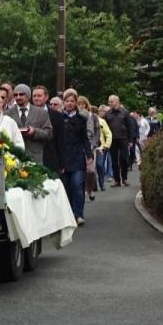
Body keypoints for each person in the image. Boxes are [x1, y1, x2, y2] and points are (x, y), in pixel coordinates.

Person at [62, 92, 92, 226]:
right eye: (67, 101)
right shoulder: (59, 118)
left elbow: (85, 138)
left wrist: (89, 154)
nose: (69, 103)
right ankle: (69, 214)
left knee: (77, 185)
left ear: (75, 103)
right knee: (66, 188)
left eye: (72, 101)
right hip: (63, 157)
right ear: (64, 103)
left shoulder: (81, 119)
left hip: (77, 156)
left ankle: (79, 214)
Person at [4, 84, 52, 163]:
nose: (18, 97)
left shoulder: (41, 113)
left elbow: (49, 134)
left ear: (28, 96)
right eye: (15, 95)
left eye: (21, 94)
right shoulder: (7, 114)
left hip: (35, 158)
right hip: (14, 158)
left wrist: (34, 132)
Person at [33, 86, 65, 175]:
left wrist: (62, 163)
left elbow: (61, 140)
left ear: (46, 97)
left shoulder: (57, 116)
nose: (36, 98)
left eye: (39, 96)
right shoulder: (27, 115)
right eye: (34, 96)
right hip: (32, 159)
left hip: (51, 160)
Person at [104, 95, 135, 187]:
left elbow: (130, 127)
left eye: (111, 101)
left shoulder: (125, 112)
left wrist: (131, 140)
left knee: (124, 159)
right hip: (112, 139)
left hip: (123, 138)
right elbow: (105, 128)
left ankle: (124, 178)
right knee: (113, 160)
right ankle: (116, 180)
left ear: (117, 102)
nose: (109, 103)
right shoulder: (107, 114)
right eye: (109, 101)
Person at [77, 96, 101, 201]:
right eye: (79, 104)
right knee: (80, 170)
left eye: (83, 104)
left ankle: (90, 189)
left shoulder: (93, 116)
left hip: (91, 145)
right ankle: (81, 190)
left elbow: (97, 131)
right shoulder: (76, 116)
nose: (81, 106)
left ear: (87, 105)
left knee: (91, 171)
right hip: (79, 146)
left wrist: (94, 144)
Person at [94, 106, 113, 192]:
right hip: (90, 148)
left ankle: (101, 184)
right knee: (91, 169)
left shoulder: (102, 121)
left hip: (100, 147)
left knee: (100, 165)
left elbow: (108, 134)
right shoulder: (86, 121)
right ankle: (93, 185)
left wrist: (106, 146)